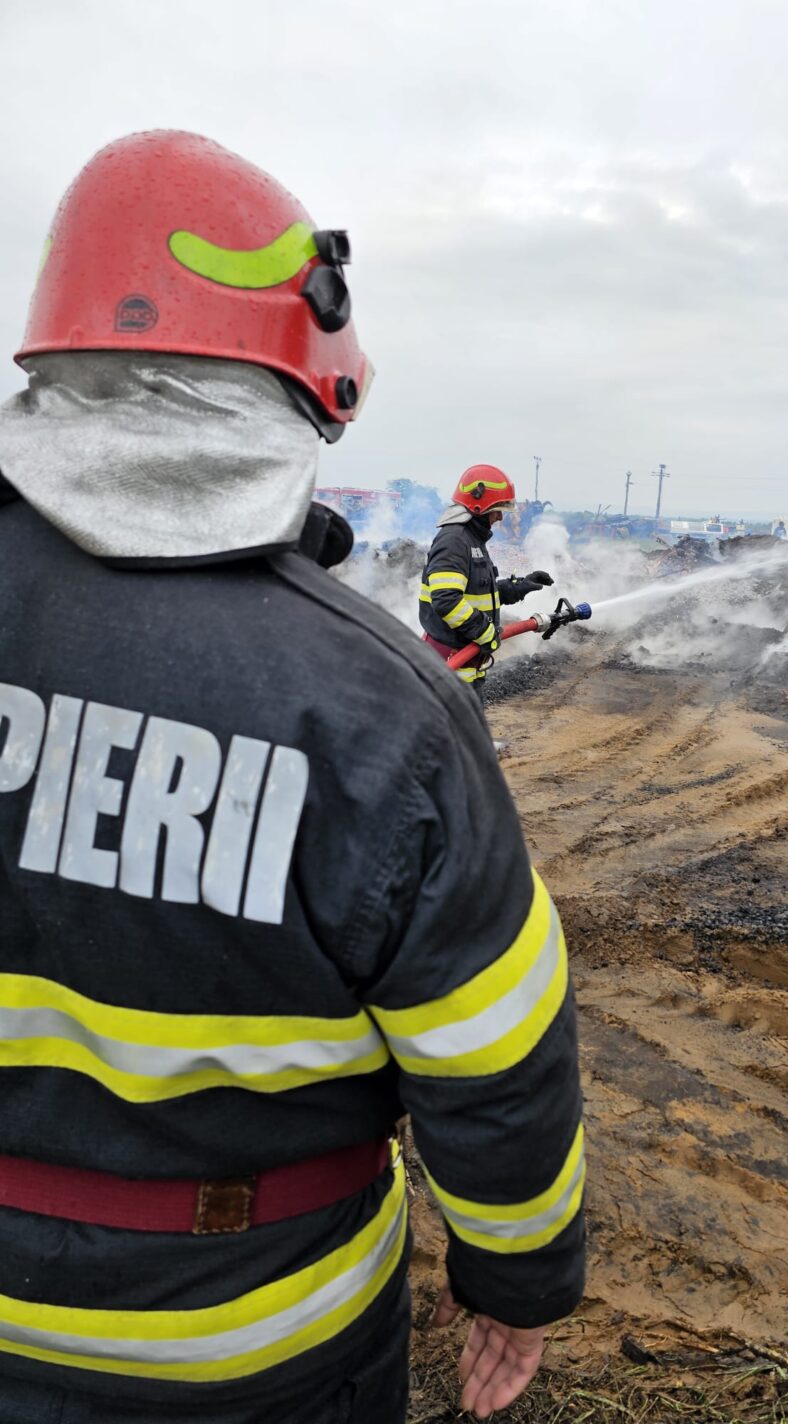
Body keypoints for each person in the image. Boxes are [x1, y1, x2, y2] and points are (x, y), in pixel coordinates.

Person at [0, 131, 584, 1424]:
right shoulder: (392, 725)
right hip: (262, 1355)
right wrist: (518, 1277)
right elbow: (499, 1056)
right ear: (300, 385)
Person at [419, 468, 555, 698]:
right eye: (497, 510)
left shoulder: (470, 540)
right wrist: (486, 633)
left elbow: (477, 593)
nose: (500, 517)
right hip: (450, 674)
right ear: (479, 508)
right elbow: (446, 600)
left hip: (463, 671)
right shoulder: (455, 541)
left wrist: (518, 586)